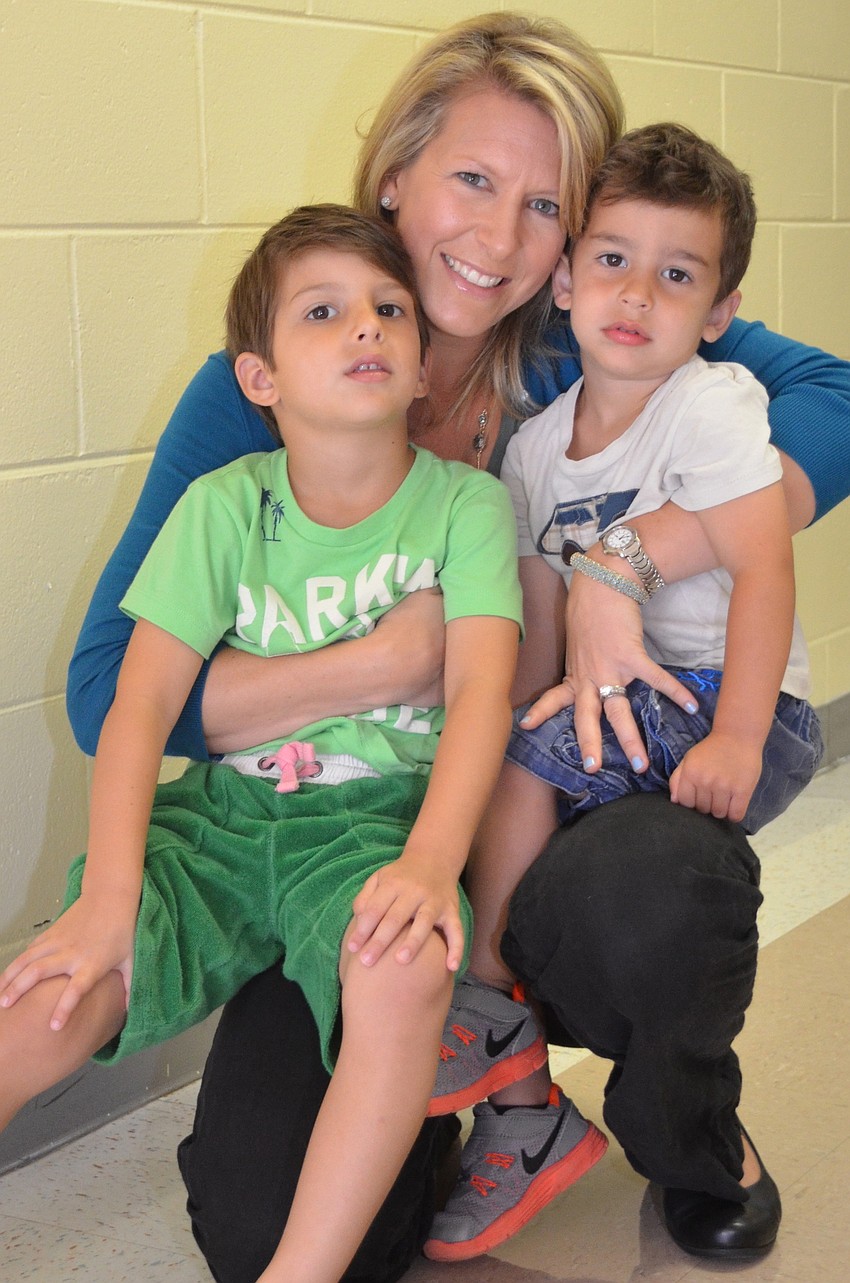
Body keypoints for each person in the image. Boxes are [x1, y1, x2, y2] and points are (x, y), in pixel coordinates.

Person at [61, 12, 850, 1282]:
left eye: (544, 205)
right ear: (394, 177)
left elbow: (837, 397)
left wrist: (627, 559)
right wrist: (380, 665)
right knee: (275, 1226)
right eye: (471, 181)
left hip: (551, 812)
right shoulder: (286, 371)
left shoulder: (582, 340)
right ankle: (474, 1089)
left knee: (650, 892)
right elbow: (113, 695)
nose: (496, 238)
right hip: (349, 846)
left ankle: (691, 1126)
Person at [0, 204, 525, 1283]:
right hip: (224, 819)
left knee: (402, 966)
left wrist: (430, 859)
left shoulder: (466, 508)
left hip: (373, 828)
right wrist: (103, 901)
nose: (366, 328)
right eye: (323, 312)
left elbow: (480, 691)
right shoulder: (220, 505)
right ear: (260, 380)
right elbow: (136, 706)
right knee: (58, 981)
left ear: (425, 366)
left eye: (388, 309)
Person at [422, 123, 824, 1262]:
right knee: (515, 732)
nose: (637, 294)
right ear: (561, 279)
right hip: (624, 712)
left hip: (722, 701)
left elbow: (763, 566)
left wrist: (743, 729)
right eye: (611, 259)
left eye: (676, 274)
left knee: (535, 761)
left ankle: (489, 994)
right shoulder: (534, 451)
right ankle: (502, 1015)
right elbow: (541, 616)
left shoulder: (713, 403)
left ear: (718, 307)